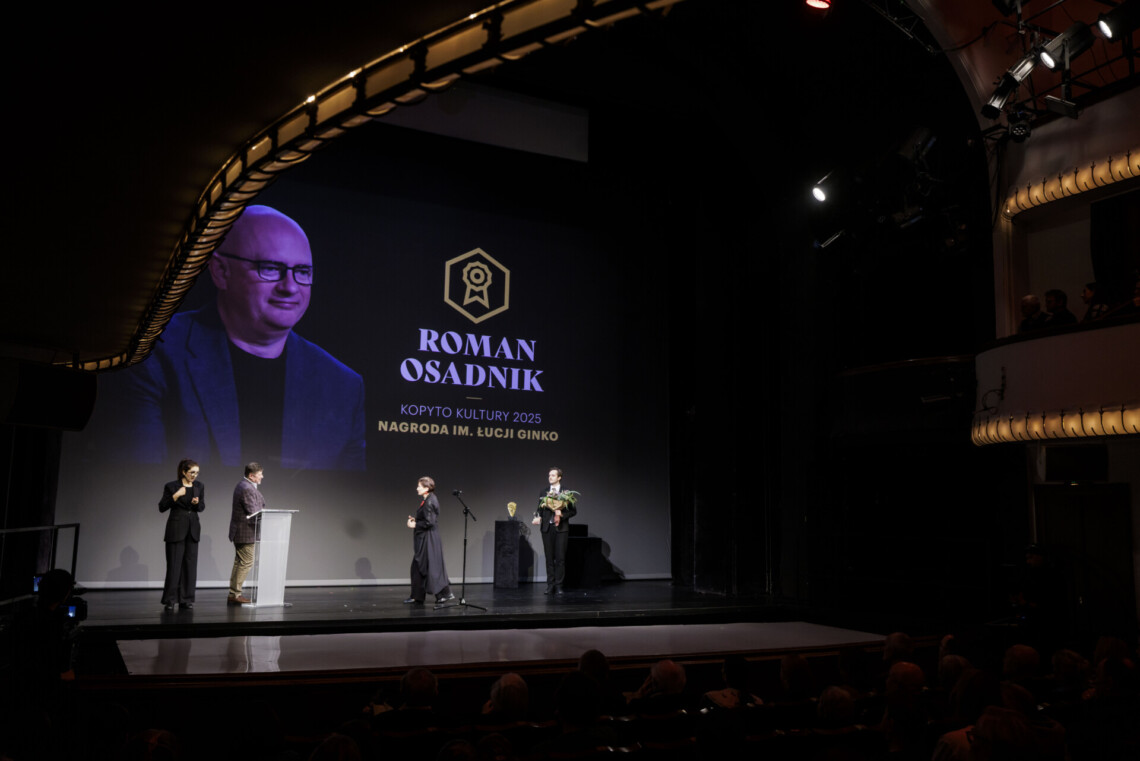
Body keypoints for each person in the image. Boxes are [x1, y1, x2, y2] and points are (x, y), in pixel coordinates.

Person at [115, 204, 365, 470]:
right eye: (270, 268)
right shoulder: (154, 351)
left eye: (302, 272)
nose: (290, 287)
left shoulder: (344, 386)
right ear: (221, 272)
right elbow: (136, 474)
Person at [159, 458, 204, 611]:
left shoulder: (199, 486)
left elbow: (202, 507)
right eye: (192, 472)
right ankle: (170, 600)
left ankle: (186, 599)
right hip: (176, 529)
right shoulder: (172, 486)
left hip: (192, 529)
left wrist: (197, 503)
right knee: (174, 565)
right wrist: (176, 496)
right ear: (184, 472)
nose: (194, 476)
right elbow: (162, 507)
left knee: (190, 566)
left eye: (197, 473)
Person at [405, 477, 454, 605]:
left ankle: (444, 594)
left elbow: (429, 522)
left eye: (419, 486)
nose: (417, 488)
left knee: (430, 566)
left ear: (427, 488)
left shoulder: (430, 501)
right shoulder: (428, 499)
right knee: (418, 566)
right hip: (427, 536)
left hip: (429, 538)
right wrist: (416, 520)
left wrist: (414, 525)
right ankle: (418, 596)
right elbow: (427, 519)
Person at [533, 467, 577, 595]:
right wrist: (538, 517)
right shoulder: (544, 491)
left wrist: (561, 514)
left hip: (561, 529)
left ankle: (559, 585)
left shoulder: (566, 492)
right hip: (547, 528)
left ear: (559, 477)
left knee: (560, 558)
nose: (550, 477)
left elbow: (573, 511)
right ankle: (550, 585)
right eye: (549, 475)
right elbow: (539, 509)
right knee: (549, 558)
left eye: (553, 475)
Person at [228, 462, 265, 605]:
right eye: (260, 474)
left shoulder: (244, 485)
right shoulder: (246, 488)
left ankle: (234, 593)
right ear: (251, 475)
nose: (262, 477)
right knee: (246, 562)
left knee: (240, 562)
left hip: (242, 531)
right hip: (245, 532)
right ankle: (235, 594)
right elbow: (254, 511)